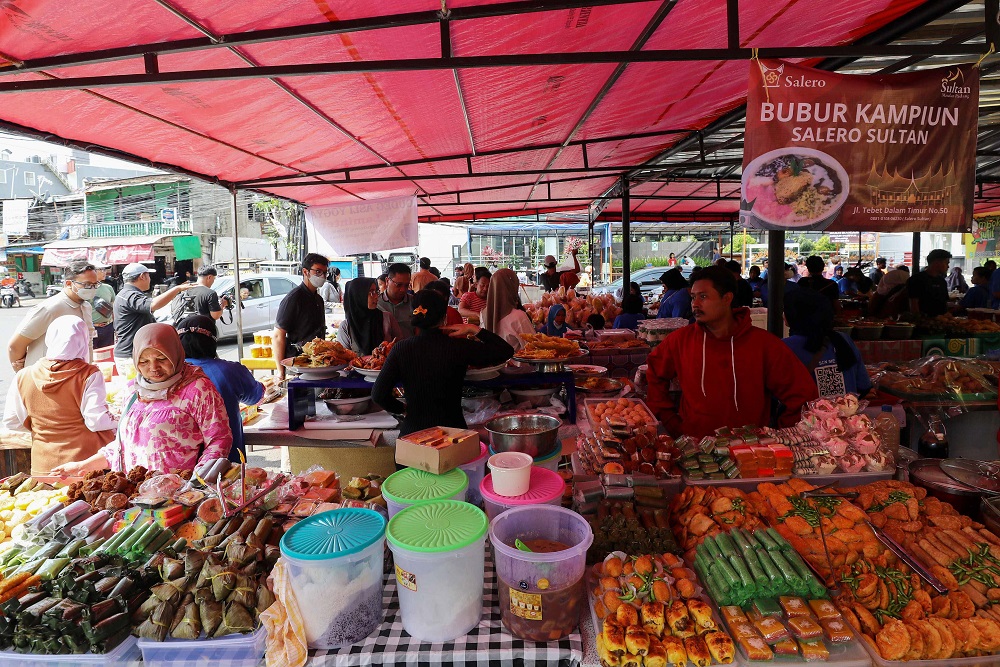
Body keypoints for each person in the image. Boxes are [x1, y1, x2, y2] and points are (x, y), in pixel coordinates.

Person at [645, 266, 817, 437]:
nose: (695, 304)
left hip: (750, 454)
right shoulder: (680, 341)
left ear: (727, 298)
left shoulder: (764, 344)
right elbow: (654, 372)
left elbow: (803, 396)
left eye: (703, 297)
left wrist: (780, 435)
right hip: (694, 451)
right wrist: (669, 420)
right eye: (693, 297)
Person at [51, 323, 232, 476]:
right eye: (144, 361)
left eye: (162, 358)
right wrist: (82, 466)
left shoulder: (197, 389)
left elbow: (219, 439)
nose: (153, 368)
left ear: (175, 353)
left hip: (178, 497)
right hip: (136, 497)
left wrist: (196, 482)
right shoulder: (133, 390)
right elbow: (125, 445)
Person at [371, 290, 514, 436]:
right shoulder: (458, 347)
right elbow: (506, 351)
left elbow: (378, 394)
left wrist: (403, 409)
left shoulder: (401, 349)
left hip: (413, 435)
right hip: (453, 434)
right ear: (444, 317)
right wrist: (474, 329)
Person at [3, 316, 117, 475]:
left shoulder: (23, 376)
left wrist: (46, 428)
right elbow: (96, 421)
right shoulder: (88, 374)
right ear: (83, 340)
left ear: (49, 339)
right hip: (85, 467)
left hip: (43, 467)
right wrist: (120, 419)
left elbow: (11, 422)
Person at [177, 315, 264, 463]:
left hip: (184, 464)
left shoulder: (172, 373)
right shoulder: (229, 370)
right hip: (225, 464)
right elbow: (256, 396)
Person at [8, 260, 101, 372]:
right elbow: (15, 346)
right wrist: (22, 374)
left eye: (95, 284)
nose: (92, 289)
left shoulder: (86, 307)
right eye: (87, 285)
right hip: (48, 381)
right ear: (68, 284)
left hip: (77, 378)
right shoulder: (50, 308)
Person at [782, 289, 872, 397]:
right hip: (847, 411)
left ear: (794, 315)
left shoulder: (784, 347)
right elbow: (864, 387)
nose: (783, 314)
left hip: (805, 413)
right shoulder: (843, 339)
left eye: (785, 309)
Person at [112, 262, 194, 377]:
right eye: (148, 276)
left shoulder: (126, 294)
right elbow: (153, 304)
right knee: (138, 392)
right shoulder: (130, 295)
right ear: (142, 276)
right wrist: (177, 289)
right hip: (130, 356)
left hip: (133, 353)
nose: (149, 279)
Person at [272, 253, 329, 378]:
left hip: (316, 363)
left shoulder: (318, 299)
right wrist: (281, 372)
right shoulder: (294, 299)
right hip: (297, 365)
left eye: (325, 272)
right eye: (318, 272)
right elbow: (277, 335)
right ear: (305, 271)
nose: (323, 276)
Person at [338, 277, 403, 355]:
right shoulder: (346, 327)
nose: (376, 296)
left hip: (387, 366)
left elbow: (400, 345)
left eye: (376, 291)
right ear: (359, 296)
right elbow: (342, 356)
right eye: (371, 292)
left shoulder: (387, 318)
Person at [482, 268, 535, 351]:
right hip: (515, 363)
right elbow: (534, 347)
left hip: (494, 363)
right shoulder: (518, 317)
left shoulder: (484, 313)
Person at [908, 249, 951, 316]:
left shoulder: (942, 281)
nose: (948, 266)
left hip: (941, 323)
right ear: (937, 262)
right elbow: (914, 307)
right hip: (924, 323)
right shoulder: (916, 280)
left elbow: (944, 304)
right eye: (947, 263)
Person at [378, 263, 415, 338]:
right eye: (398, 285)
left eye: (406, 285)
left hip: (410, 348)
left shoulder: (414, 303)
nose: (403, 289)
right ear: (387, 281)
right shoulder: (377, 304)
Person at [92, 263, 117, 349]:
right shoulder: (84, 289)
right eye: (101, 270)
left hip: (108, 327)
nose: (104, 272)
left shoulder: (108, 288)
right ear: (93, 272)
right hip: (92, 328)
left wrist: (116, 326)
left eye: (105, 270)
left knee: (107, 354)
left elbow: (113, 308)